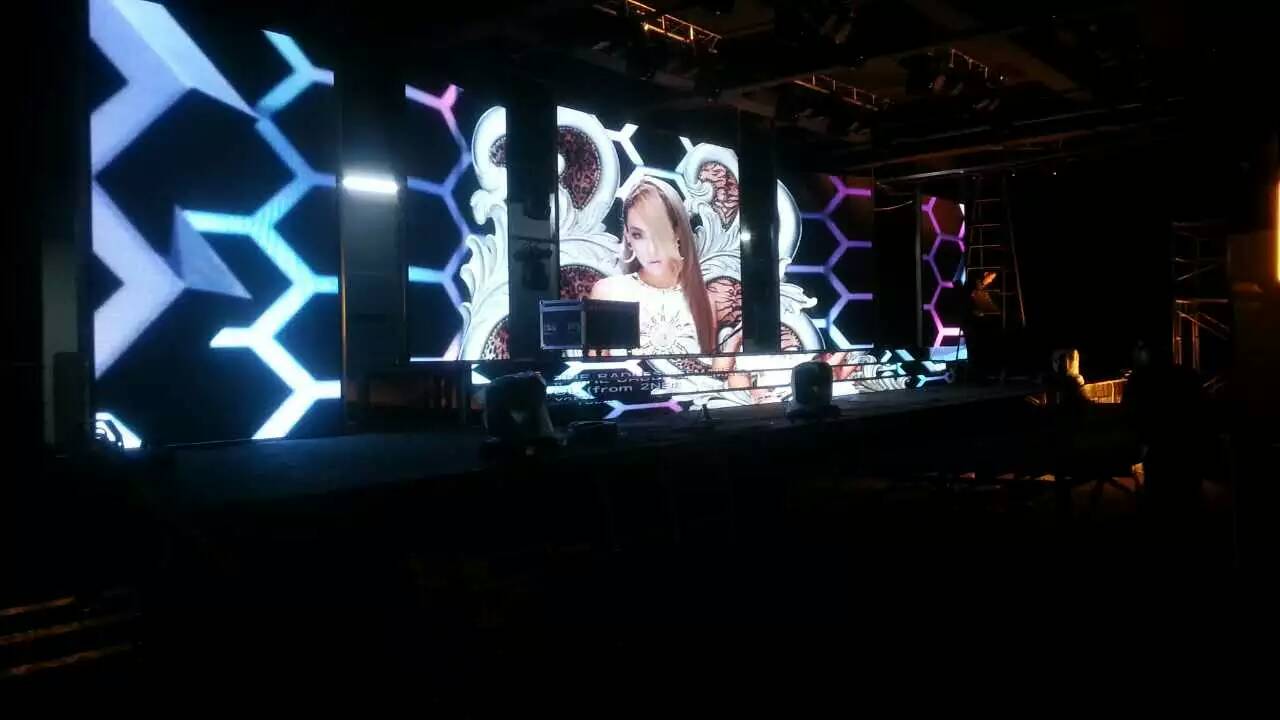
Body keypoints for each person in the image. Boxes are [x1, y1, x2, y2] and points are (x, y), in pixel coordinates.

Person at [590, 178, 733, 358]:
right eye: (638, 235)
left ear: (677, 232)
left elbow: (707, 371)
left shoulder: (704, 301)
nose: (651, 249)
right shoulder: (608, 293)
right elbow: (593, 370)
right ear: (627, 236)